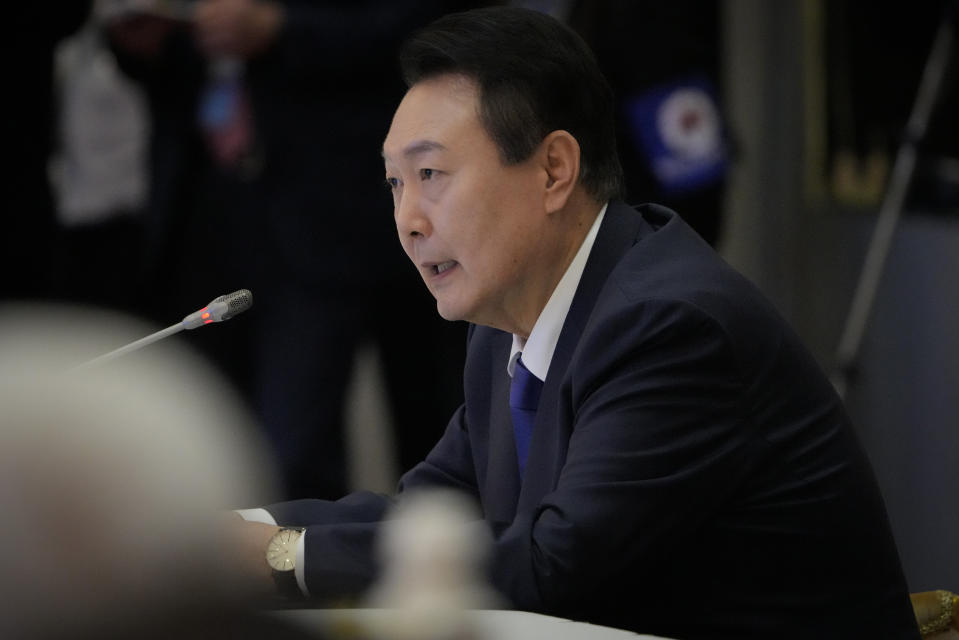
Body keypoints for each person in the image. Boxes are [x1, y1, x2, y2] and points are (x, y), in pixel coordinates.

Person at [227, 7, 920, 638]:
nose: (407, 220)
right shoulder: (505, 325)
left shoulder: (669, 325)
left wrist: (285, 557)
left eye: (431, 174)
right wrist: (234, 532)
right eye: (393, 184)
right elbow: (430, 518)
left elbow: (555, 565)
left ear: (554, 169)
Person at [105, 0, 475, 500]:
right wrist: (144, 41)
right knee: (217, 440)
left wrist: (281, 28)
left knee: (338, 441)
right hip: (208, 198)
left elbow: (429, 29)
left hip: (343, 193)